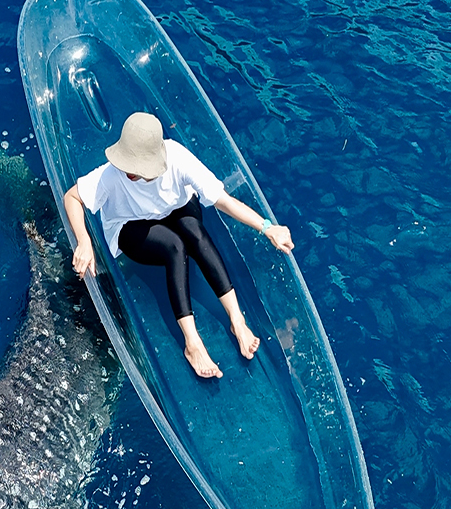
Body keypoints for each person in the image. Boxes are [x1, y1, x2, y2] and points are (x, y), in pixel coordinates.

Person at [63, 112, 293, 378]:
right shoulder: (113, 175)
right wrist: (84, 240)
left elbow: (224, 201)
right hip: (131, 226)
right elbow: (73, 197)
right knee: (174, 246)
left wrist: (268, 228)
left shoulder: (177, 158)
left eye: (133, 167)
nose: (127, 171)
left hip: (176, 210)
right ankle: (192, 343)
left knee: (194, 232)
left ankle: (236, 319)